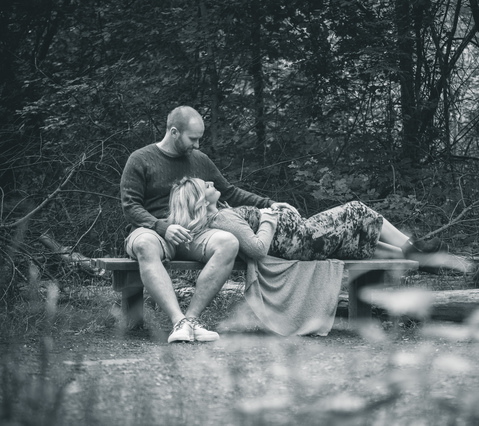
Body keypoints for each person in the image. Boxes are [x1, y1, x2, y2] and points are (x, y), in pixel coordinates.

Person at [121, 106, 296, 343]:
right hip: (155, 230)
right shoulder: (140, 159)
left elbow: (230, 192)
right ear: (174, 132)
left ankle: (192, 320)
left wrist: (270, 203)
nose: (198, 145)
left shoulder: (200, 160)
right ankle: (178, 322)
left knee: (228, 242)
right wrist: (163, 228)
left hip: (195, 230)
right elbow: (131, 206)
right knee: (144, 245)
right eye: (193, 139)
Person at [167, 176, 448, 264]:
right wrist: (269, 219)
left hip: (301, 237)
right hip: (303, 241)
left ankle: (410, 257)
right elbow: (256, 249)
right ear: (199, 201)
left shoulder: (221, 214)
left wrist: (272, 211)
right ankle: (413, 249)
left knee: (356, 235)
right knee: (357, 210)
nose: (212, 182)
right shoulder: (223, 219)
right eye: (206, 185)